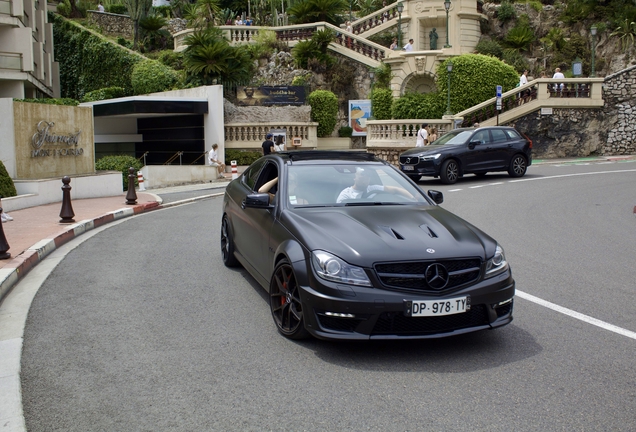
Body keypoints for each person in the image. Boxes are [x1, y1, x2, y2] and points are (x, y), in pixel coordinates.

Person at [337, 168, 414, 203]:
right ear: (354, 178)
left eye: (367, 176)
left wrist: (413, 198)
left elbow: (396, 190)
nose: (365, 178)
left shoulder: (373, 188)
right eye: (362, 175)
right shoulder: (346, 194)